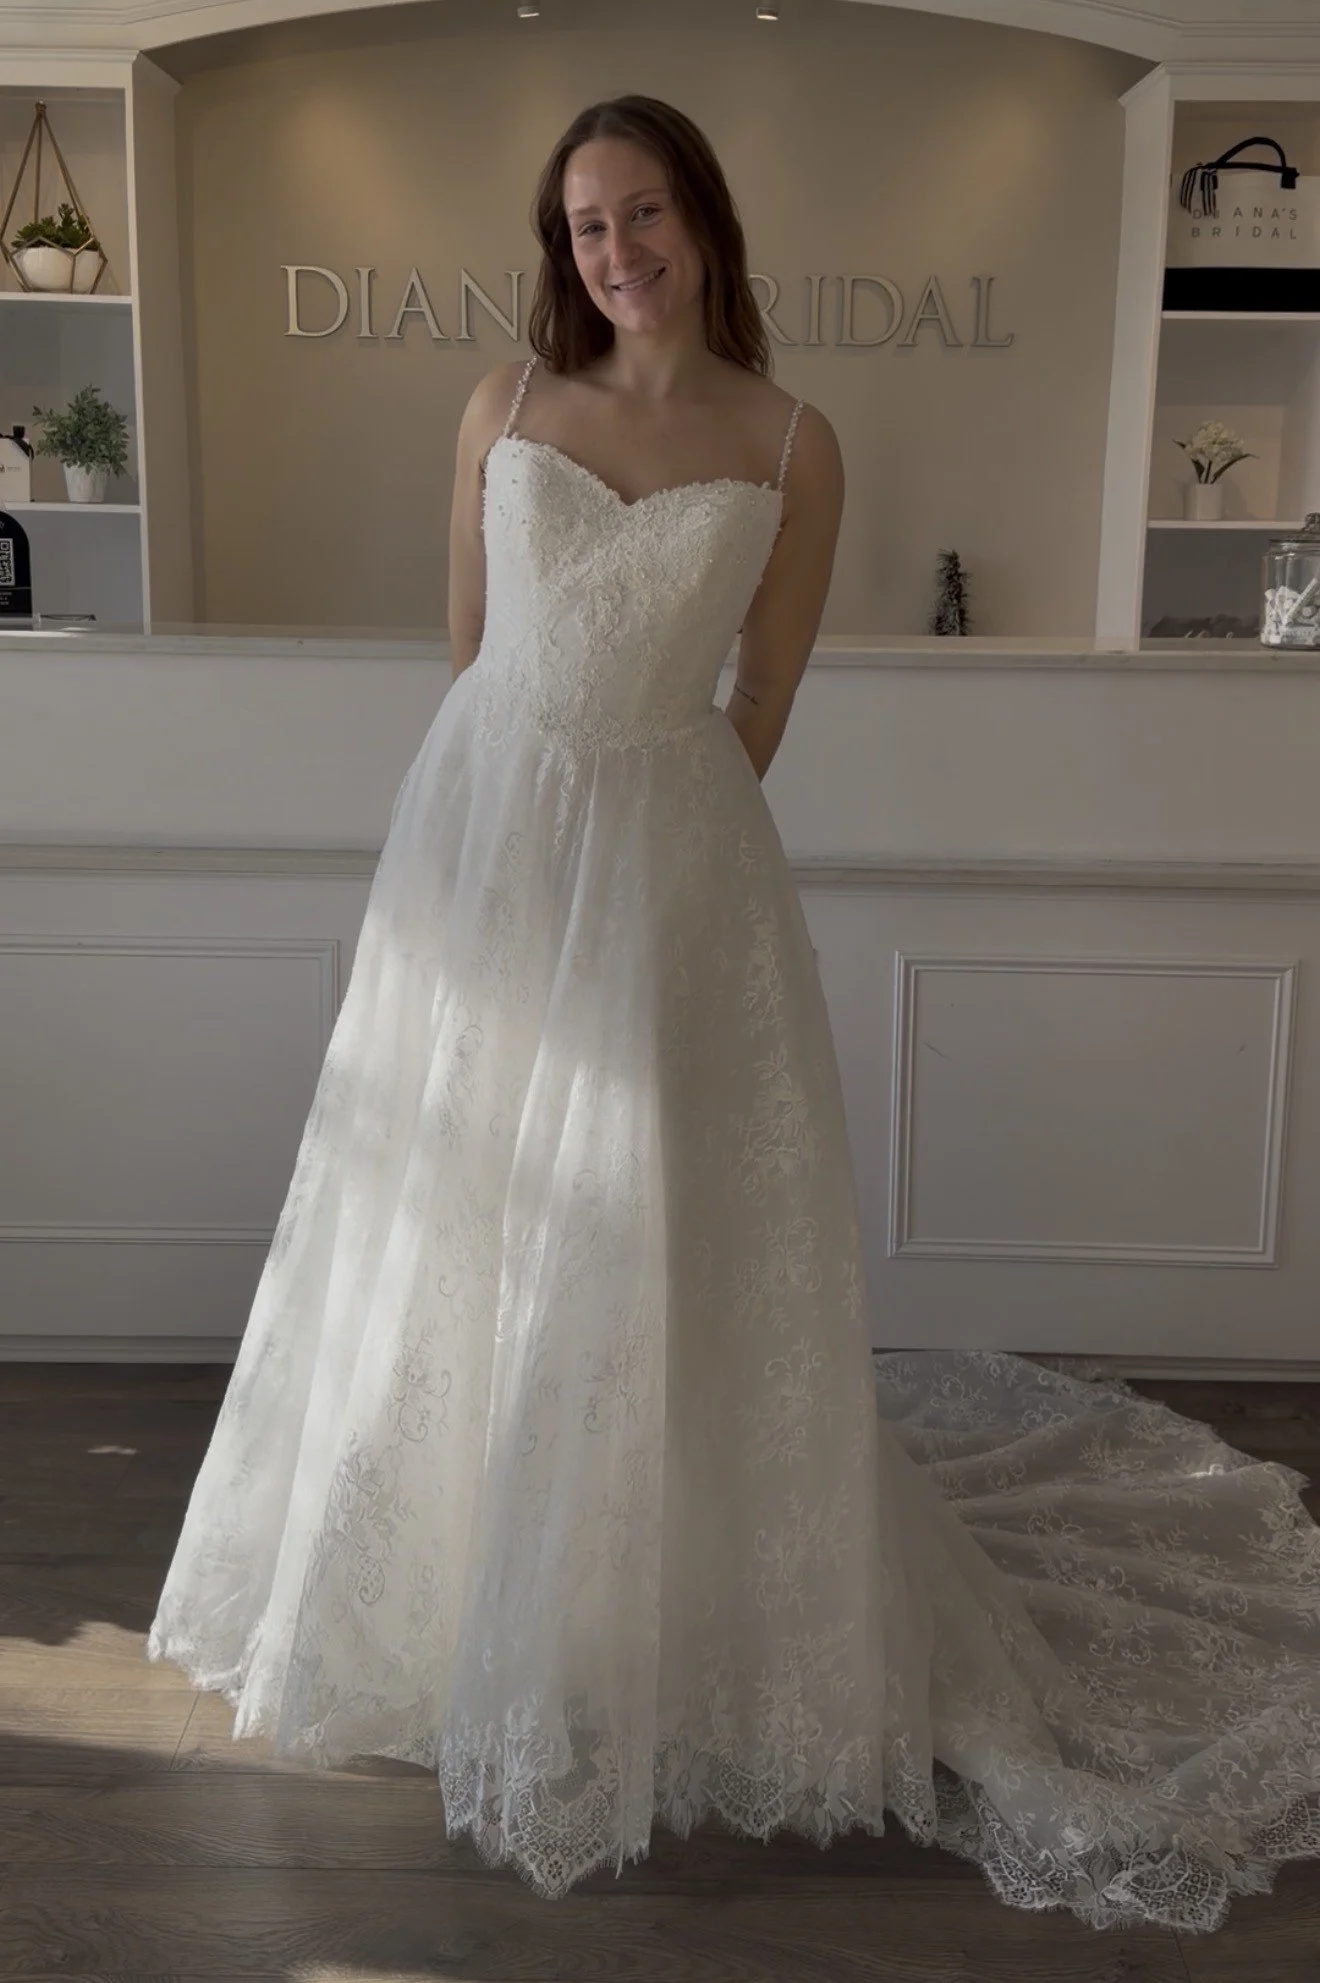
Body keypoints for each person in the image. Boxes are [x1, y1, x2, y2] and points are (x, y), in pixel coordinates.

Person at [147, 94, 1320, 1927]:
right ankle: (445, 1593)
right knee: (458, 1215)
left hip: (675, 869)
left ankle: (643, 1603)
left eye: (641, 214)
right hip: (486, 846)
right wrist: (524, 817)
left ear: (703, 215)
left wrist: (659, 822)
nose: (615, 252)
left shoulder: (793, 439)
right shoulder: (503, 408)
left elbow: (765, 695)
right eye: (585, 227)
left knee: (648, 1227)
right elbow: (469, 652)